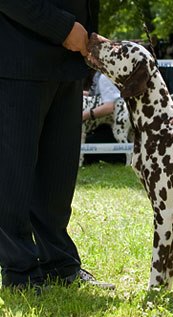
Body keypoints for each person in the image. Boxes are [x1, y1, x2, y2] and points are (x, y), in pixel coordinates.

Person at [0, 1, 114, 291]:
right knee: (13, 176)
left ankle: (60, 265)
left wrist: (87, 38)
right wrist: (63, 28)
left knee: (58, 179)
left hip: (68, 64)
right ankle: (20, 272)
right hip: (18, 61)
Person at [82, 72, 126, 164]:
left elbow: (110, 107)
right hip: (112, 119)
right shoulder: (100, 74)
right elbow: (94, 95)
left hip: (114, 119)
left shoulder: (104, 77)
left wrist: (85, 115)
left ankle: (125, 158)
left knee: (90, 146)